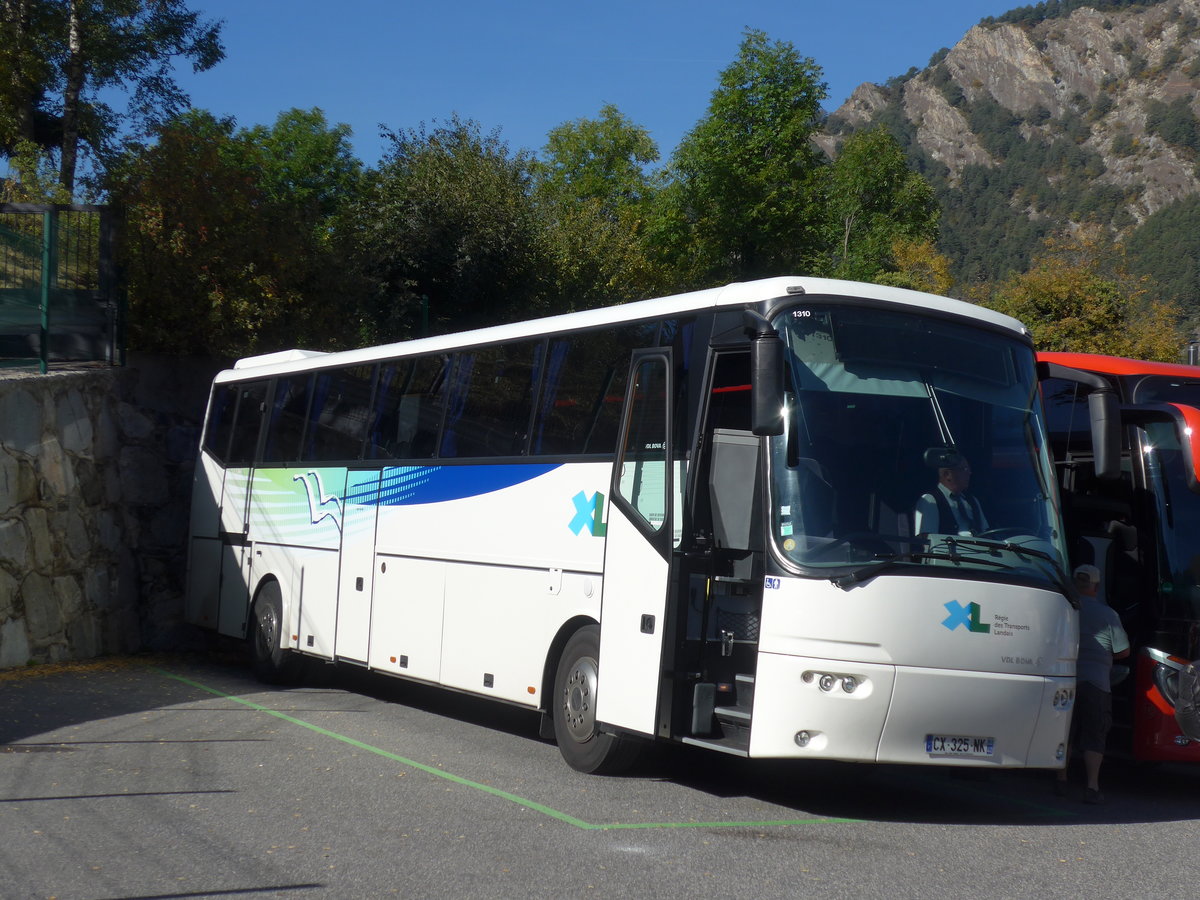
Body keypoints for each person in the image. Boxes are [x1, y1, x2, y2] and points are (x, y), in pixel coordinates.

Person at [1056, 563, 1130, 804]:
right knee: (1094, 733)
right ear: (1096, 587)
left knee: (1066, 731)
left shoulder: (1063, 609)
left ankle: (1061, 780)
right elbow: (1123, 651)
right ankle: (1092, 786)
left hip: (1065, 678)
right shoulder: (1108, 615)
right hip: (1096, 682)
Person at [914, 450, 989, 536]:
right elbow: (927, 539)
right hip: (949, 549)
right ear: (947, 474)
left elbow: (985, 533)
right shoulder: (930, 500)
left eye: (969, 469)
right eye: (964, 469)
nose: (969, 473)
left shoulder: (972, 501)